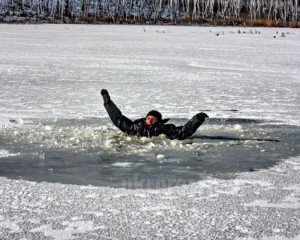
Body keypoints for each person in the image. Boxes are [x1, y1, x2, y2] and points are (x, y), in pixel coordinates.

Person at [101, 89, 208, 140]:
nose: (150, 120)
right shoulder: (135, 127)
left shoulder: (164, 129)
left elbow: (183, 132)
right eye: (148, 118)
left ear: (158, 121)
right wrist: (108, 102)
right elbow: (118, 119)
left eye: (153, 119)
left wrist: (197, 119)